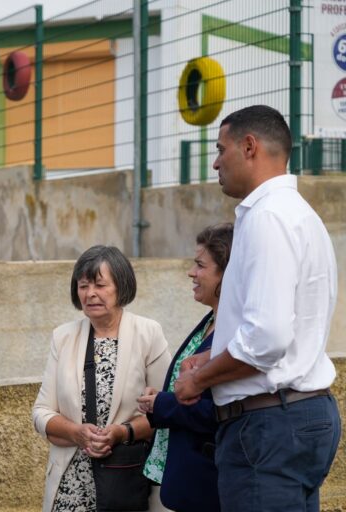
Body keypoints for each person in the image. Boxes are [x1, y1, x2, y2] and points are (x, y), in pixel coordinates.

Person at [174, 105, 341, 511]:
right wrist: (210, 358)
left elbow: (266, 339)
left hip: (268, 426)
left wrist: (201, 379)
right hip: (295, 416)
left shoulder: (269, 217)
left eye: (220, 149)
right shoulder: (300, 215)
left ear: (249, 146)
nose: (215, 162)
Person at [32, 245, 172, 512]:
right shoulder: (63, 337)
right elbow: (41, 412)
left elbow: (168, 409)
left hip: (128, 479)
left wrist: (121, 433)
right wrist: (77, 433)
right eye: (83, 286)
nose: (90, 294)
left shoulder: (148, 333)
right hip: (70, 485)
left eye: (99, 285)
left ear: (121, 286)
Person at [137, 223, 233, 512]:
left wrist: (162, 404)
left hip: (210, 483)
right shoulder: (210, 321)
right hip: (190, 480)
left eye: (200, 265)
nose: (191, 272)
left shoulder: (234, 334)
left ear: (226, 274)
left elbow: (221, 410)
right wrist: (161, 399)